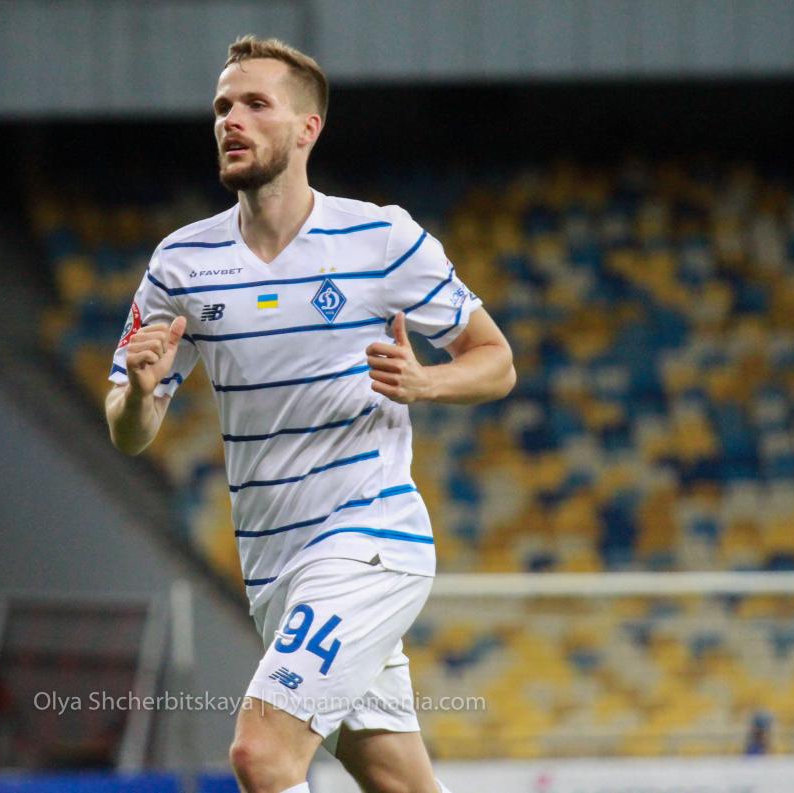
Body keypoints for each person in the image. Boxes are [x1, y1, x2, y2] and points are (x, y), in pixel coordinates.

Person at [105, 35, 514, 793]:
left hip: (369, 542)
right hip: (274, 569)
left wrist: (425, 383)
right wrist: (136, 390)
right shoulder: (181, 264)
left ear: (306, 128)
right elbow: (130, 432)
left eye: (255, 104)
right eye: (223, 106)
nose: (231, 120)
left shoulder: (381, 238)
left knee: (261, 754)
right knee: (399, 781)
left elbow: (496, 359)